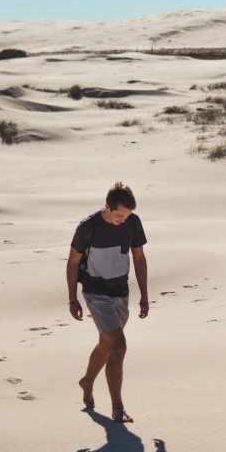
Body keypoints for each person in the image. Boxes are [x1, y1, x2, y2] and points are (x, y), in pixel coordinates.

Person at [67, 181, 149, 423]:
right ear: (107, 206)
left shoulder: (133, 223)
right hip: (96, 293)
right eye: (119, 215)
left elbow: (140, 258)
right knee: (120, 346)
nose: (122, 220)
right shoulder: (87, 228)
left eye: (126, 216)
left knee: (107, 344)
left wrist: (144, 295)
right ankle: (117, 407)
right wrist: (73, 299)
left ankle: (87, 381)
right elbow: (72, 263)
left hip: (120, 292)